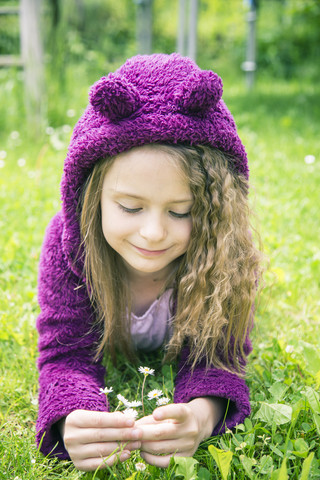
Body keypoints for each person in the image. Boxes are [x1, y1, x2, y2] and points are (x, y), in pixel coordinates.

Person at [36, 53, 262, 472]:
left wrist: (200, 416)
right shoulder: (68, 248)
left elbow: (221, 356)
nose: (154, 233)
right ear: (90, 197)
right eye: (129, 207)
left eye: (182, 212)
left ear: (217, 210)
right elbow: (64, 352)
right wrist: (73, 417)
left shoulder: (226, 253)